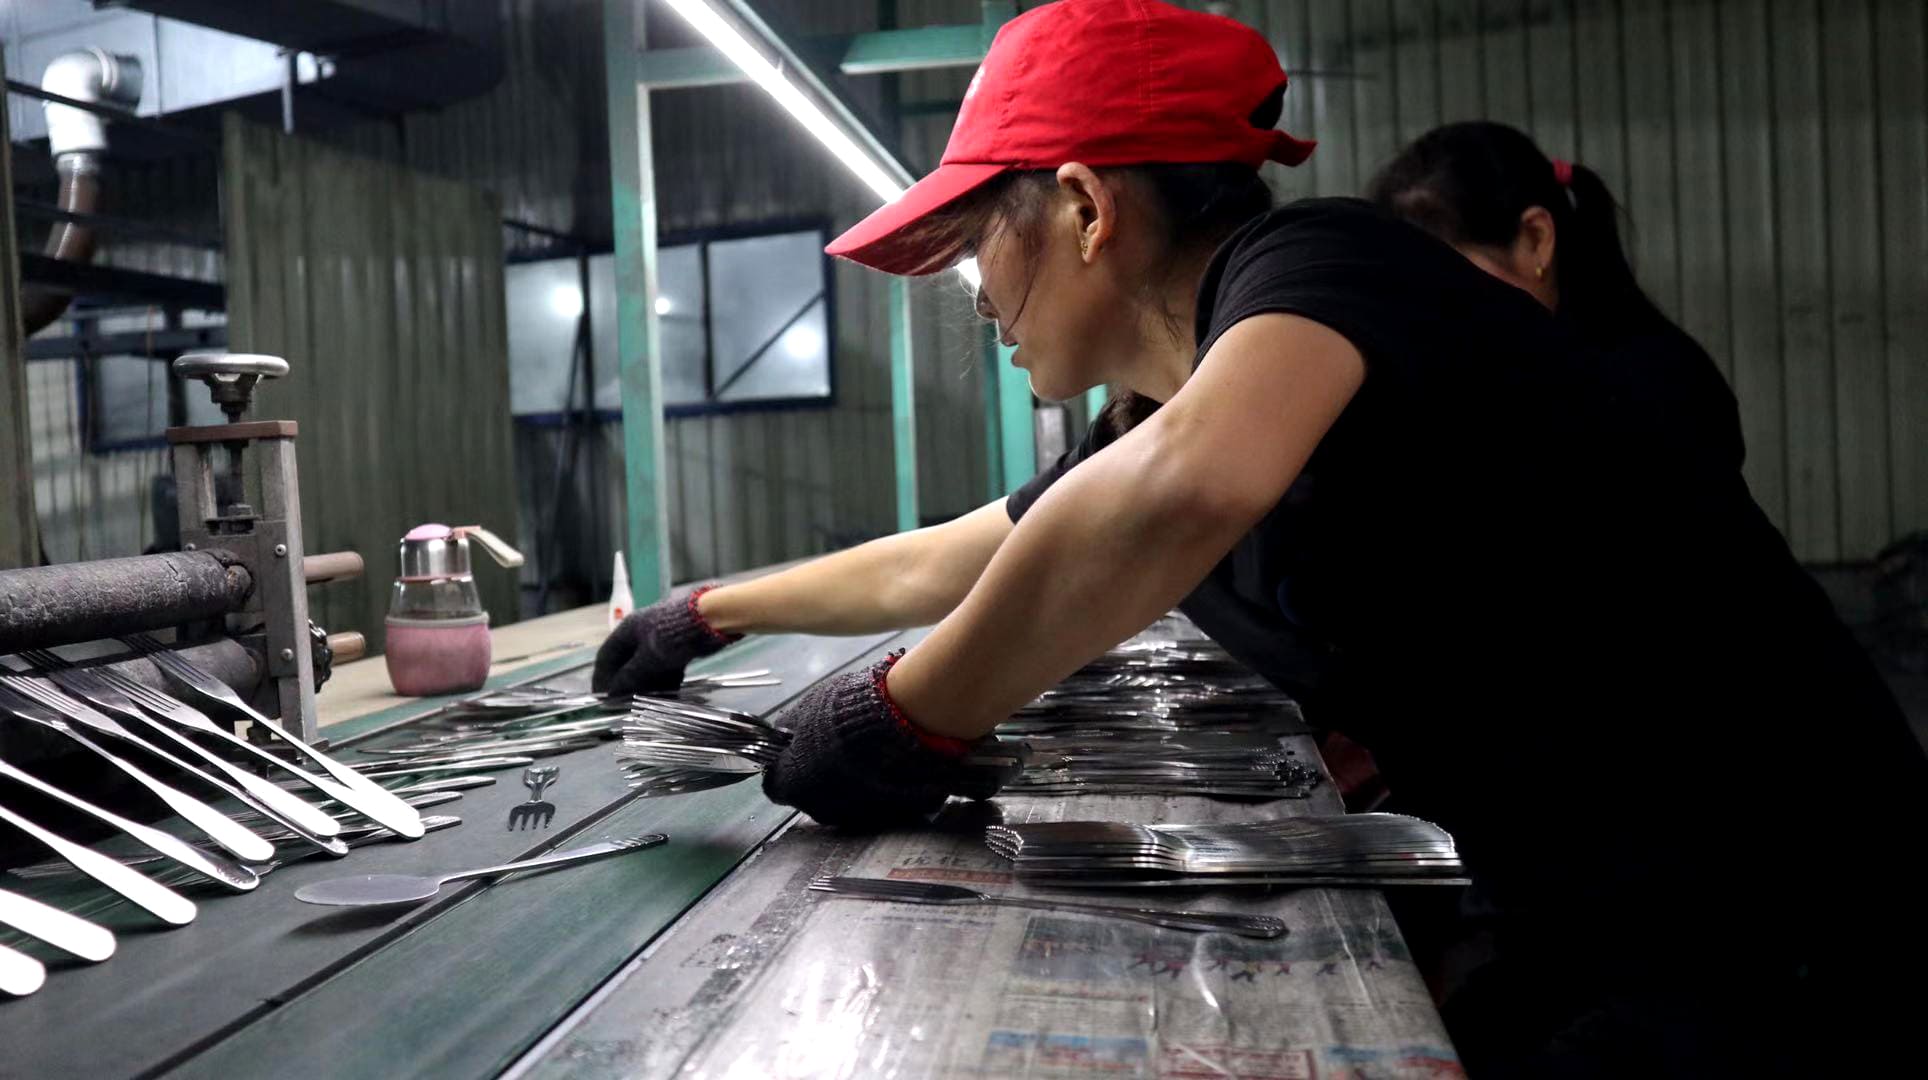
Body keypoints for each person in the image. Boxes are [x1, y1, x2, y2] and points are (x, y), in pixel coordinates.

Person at [594, 2, 1923, 1073]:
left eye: (977, 250)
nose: (980, 302)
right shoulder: (1211, 397)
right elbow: (976, 550)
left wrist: (904, 712)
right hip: (1615, 912)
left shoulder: (1321, 267)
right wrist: (713, 611)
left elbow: (1182, 491)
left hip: (1793, 920)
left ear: (1085, 207)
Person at [1366, 121, 1744, 480]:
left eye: (1450, 286)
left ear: (1535, 238)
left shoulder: (1650, 389)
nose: (1426, 316)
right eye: (1406, 291)